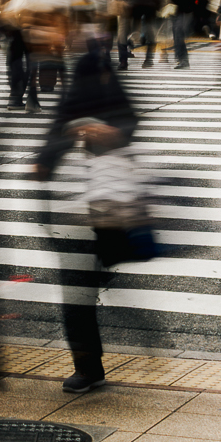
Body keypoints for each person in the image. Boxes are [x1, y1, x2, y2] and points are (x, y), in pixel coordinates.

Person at [32, 36, 142, 393]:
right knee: (77, 295)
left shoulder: (110, 103)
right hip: (77, 215)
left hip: (106, 209)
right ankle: (88, 366)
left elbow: (128, 126)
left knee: (81, 291)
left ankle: (88, 367)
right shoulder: (75, 104)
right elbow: (46, 154)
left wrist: (107, 136)